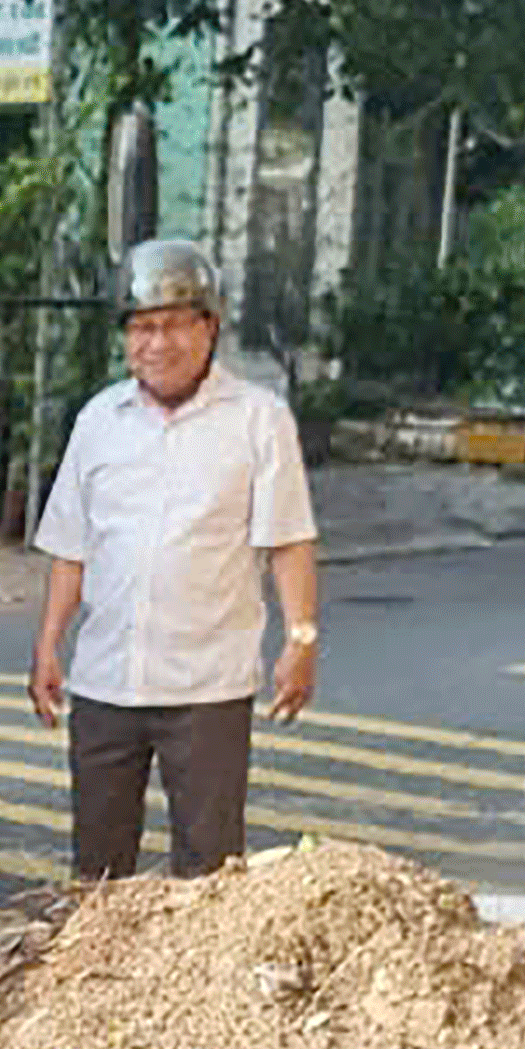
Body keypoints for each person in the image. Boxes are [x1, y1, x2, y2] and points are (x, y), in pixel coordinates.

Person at [29, 237, 322, 880]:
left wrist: (300, 638)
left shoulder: (258, 420)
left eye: (171, 325)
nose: (155, 344)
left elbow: (288, 540)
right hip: (106, 682)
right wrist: (48, 645)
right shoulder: (98, 420)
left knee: (210, 868)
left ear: (209, 327)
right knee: (98, 868)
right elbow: (71, 548)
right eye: (140, 328)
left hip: (207, 689)